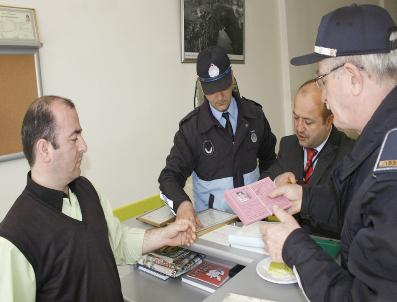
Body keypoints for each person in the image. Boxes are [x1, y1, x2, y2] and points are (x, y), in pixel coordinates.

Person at [261, 4, 397, 301]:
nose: (322, 96)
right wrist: (305, 197)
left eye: (322, 80)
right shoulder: (378, 136)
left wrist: (294, 247)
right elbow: (357, 207)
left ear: (352, 77)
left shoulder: (392, 174)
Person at [0, 96, 196, 302]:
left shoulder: (86, 190)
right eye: (74, 138)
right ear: (45, 149)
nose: (83, 146)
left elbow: (118, 244)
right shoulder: (14, 237)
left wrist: (166, 235)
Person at [159, 46, 276, 225]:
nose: (219, 96)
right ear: (201, 85)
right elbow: (169, 177)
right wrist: (182, 204)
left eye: (223, 86)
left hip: (256, 220)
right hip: (214, 227)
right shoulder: (192, 129)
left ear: (232, 76)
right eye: (212, 90)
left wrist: (263, 194)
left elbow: (271, 161)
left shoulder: (254, 116)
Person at [262, 80, 354, 238]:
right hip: (287, 243)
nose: (299, 128)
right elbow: (264, 182)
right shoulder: (289, 145)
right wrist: (276, 181)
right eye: (296, 118)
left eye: (308, 121)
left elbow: (346, 214)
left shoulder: (349, 153)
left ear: (330, 120)